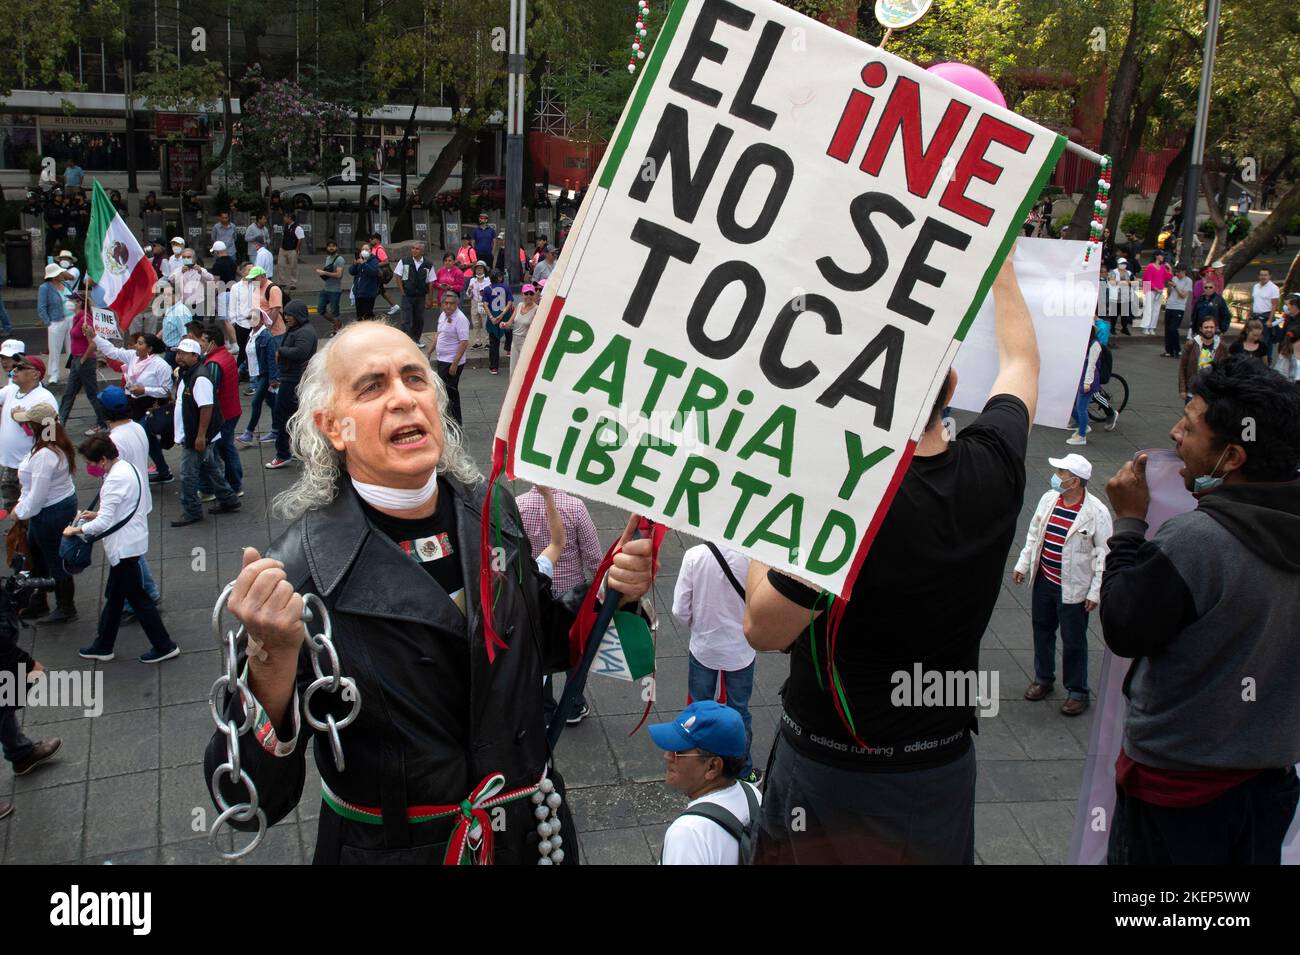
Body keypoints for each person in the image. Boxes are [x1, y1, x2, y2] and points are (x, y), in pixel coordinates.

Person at [202, 320, 656, 864]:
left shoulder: (493, 512)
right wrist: (271, 663)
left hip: (531, 837)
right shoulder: (296, 573)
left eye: (416, 379)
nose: (402, 399)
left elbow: (549, 645)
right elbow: (247, 802)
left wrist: (612, 592)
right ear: (332, 426)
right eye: (372, 387)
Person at [744, 256, 1037, 865]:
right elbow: (1021, 364)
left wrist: (772, 507)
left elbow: (765, 626)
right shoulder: (994, 467)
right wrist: (1002, 270)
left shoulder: (842, 506)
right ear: (951, 389)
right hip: (941, 767)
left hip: (830, 771)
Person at [1100, 355, 1300, 864]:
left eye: (1188, 427)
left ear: (1231, 456)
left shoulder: (1197, 541)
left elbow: (1125, 626)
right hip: (1269, 782)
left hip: (1176, 791)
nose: (1174, 434)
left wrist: (1127, 526)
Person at [1013, 453, 1112, 715]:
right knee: (1042, 631)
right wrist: (1023, 564)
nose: (1057, 477)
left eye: (1062, 474)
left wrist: (1095, 591)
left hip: (1073, 590)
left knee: (1074, 640)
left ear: (1076, 481)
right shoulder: (1049, 499)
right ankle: (1043, 678)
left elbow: (1103, 555)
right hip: (1045, 581)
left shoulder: (1096, 513)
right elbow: (1035, 534)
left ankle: (1078, 691)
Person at [67, 434, 178, 664]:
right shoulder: (128, 468)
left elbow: (103, 524)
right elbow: (122, 507)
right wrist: (97, 514)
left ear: (104, 459)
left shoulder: (113, 481)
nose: (91, 467)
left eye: (92, 463)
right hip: (132, 542)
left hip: (123, 548)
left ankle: (164, 645)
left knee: (138, 600)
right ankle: (103, 645)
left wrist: (77, 530)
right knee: (115, 597)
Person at [674, 541, 760, 783]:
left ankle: (698, 768)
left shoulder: (694, 555)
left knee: (699, 709)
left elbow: (680, 609)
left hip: (704, 646)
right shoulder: (753, 557)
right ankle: (743, 771)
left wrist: (698, 625)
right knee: (739, 711)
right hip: (740, 649)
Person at [519, 484, 603, 726]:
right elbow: (593, 556)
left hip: (536, 594)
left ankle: (545, 709)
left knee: (541, 651)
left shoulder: (517, 505)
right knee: (574, 652)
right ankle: (573, 704)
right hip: (571, 597)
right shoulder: (576, 507)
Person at [650, 701, 761, 865]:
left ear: (712, 766)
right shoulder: (752, 795)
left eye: (678, 751)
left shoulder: (688, 834)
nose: (667, 756)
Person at [11, 402, 80, 623]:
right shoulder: (53, 444)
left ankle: (65, 607)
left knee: (54, 558)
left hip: (50, 512)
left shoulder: (44, 455)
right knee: (37, 554)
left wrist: (19, 511)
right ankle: (39, 600)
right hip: (56, 506)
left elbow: (38, 496)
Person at [97, 386, 162, 620]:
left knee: (129, 553)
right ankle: (143, 593)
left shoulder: (113, 440)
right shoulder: (136, 427)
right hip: (140, 495)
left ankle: (145, 594)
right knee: (133, 550)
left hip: (126, 503)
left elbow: (107, 471)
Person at [170, 339, 240, 527]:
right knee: (210, 467)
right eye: (178, 353)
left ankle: (192, 510)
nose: (179, 357)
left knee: (188, 475)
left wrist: (200, 436)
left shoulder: (199, 378)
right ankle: (229, 499)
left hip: (196, 437)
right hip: (195, 435)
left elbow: (206, 408)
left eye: (184, 354)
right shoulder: (188, 373)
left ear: (195, 356)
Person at [93, 331, 174, 484]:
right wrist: (94, 337)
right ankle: (164, 471)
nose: (136, 346)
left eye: (140, 343)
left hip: (150, 407)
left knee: (140, 439)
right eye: (137, 343)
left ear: (149, 349)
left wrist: (145, 390)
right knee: (148, 440)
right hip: (133, 404)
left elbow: (167, 390)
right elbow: (112, 351)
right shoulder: (132, 357)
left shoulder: (161, 365)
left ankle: (139, 474)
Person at [0, 357, 57, 513]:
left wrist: (22, 421)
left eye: (21, 367)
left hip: (30, 466)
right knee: (11, 505)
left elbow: (50, 436)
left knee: (31, 506)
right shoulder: (11, 390)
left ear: (35, 375)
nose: (15, 369)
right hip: (9, 463)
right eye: (15, 366)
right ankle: (17, 531)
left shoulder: (45, 399)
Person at [266, 302, 317, 470]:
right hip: (292, 378)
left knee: (283, 416)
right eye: (285, 314)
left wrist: (281, 351)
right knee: (294, 417)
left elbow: (300, 352)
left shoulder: (304, 332)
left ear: (299, 315)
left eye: (290, 315)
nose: (286, 318)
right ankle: (296, 450)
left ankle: (283, 454)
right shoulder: (299, 330)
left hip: (293, 380)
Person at [236, 267, 284, 448]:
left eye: (255, 278)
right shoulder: (252, 334)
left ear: (263, 276)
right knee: (272, 402)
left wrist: (265, 331)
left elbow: (274, 310)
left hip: (272, 336)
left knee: (257, 401)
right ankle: (278, 428)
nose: (252, 281)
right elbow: (249, 355)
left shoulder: (273, 289)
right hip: (260, 360)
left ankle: (249, 433)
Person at [198, 325, 243, 497]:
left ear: (212, 342)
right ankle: (234, 484)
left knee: (221, 450)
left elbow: (211, 392)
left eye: (203, 341)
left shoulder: (214, 364)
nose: (201, 344)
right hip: (233, 410)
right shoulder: (226, 356)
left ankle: (231, 486)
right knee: (228, 448)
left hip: (224, 414)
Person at [55, 306, 108, 435]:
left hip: (84, 361)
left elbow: (92, 344)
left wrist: (83, 360)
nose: (70, 302)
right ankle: (60, 424)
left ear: (80, 303)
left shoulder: (85, 320)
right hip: (76, 360)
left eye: (74, 300)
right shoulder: (77, 318)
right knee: (69, 393)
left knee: (92, 394)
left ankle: (102, 423)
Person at [427, 291, 470, 427]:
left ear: (456, 304)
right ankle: (448, 420)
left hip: (452, 361)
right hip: (442, 359)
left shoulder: (461, 319)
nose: (448, 306)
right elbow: (438, 334)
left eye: (451, 303)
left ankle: (455, 423)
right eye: (446, 303)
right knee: (444, 391)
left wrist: (454, 364)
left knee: (450, 392)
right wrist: (429, 351)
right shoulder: (443, 315)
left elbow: (464, 342)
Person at [37, 263, 76, 387]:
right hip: (56, 321)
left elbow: (73, 298)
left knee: (72, 347)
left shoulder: (65, 285)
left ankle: (72, 371)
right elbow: (41, 307)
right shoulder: (45, 288)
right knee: (54, 349)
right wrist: (48, 322)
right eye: (60, 273)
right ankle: (54, 374)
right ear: (54, 276)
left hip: (71, 318)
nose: (62, 274)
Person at [392, 242, 436, 343]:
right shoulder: (404, 261)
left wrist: (429, 299)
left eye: (417, 249)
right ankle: (407, 341)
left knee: (419, 319)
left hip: (420, 296)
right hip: (407, 295)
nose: (414, 250)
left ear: (422, 251)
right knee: (406, 319)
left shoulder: (428, 264)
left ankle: (416, 339)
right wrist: (402, 291)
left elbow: (431, 282)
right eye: (413, 248)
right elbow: (398, 276)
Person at [1178, 317, 1229, 403]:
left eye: (1211, 327)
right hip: (1193, 392)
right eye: (1206, 327)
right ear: (1201, 329)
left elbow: (1226, 369)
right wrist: (1182, 389)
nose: (1209, 330)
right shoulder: (1191, 344)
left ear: (1215, 328)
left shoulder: (1222, 346)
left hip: (1213, 393)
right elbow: (1182, 367)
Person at [504, 283, 539, 377]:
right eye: (526, 293)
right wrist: (503, 324)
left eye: (531, 293)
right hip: (515, 341)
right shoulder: (519, 305)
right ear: (522, 294)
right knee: (513, 371)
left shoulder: (537, 309)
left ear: (534, 294)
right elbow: (509, 323)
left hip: (526, 342)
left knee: (524, 370)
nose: (528, 296)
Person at [208, 240, 239, 343]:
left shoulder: (217, 265)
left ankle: (234, 343)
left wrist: (212, 296)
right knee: (226, 319)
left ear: (217, 252)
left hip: (222, 294)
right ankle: (227, 342)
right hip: (233, 292)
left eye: (214, 253)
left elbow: (216, 283)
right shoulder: (233, 261)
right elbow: (238, 273)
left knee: (226, 321)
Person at [484, 269, 514, 374]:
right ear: (500, 278)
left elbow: (485, 304)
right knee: (509, 332)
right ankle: (508, 348)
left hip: (493, 316)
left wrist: (492, 317)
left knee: (493, 343)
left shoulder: (487, 289)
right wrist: (502, 315)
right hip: (505, 315)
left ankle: (493, 367)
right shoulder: (506, 287)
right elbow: (510, 302)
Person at [1163, 263, 1193, 357]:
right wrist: (1170, 287)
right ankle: (1169, 350)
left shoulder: (1188, 281)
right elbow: (1171, 292)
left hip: (1179, 307)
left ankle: (1177, 350)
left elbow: (1183, 295)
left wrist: (1175, 286)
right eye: (1176, 272)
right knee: (1167, 329)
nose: (1177, 274)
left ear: (1184, 271)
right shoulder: (1174, 278)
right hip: (1169, 306)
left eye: (1178, 272)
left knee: (1173, 329)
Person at [316, 238, 345, 334]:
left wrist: (324, 272)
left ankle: (337, 330)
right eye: (329, 246)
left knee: (335, 312)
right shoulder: (328, 258)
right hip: (326, 289)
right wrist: (322, 274)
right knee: (320, 309)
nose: (331, 248)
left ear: (336, 248)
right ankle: (337, 324)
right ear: (327, 248)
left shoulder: (339, 259)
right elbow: (328, 273)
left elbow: (338, 275)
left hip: (335, 290)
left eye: (333, 246)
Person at [1138, 251, 1171, 336]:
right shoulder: (1150, 266)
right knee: (1148, 308)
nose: (1163, 257)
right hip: (1150, 289)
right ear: (1157, 256)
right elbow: (1146, 279)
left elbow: (1168, 277)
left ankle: (1152, 327)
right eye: (1162, 255)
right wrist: (1155, 288)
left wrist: (1169, 269)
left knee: (1156, 310)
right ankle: (1145, 327)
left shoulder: (1163, 267)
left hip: (1159, 291)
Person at [1250, 268, 1280, 358]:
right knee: (1254, 339)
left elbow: (1274, 305)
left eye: (1265, 275)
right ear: (1258, 276)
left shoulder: (1274, 288)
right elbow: (1254, 301)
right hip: (1255, 316)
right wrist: (1249, 314)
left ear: (1270, 276)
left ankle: (1267, 362)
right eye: (1261, 275)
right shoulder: (1255, 286)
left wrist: (1270, 320)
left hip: (1266, 317)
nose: (1263, 277)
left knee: (1265, 342)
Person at [347, 244, 381, 322]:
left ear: (370, 251)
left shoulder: (374, 260)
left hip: (368, 293)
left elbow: (374, 272)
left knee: (367, 315)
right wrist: (355, 264)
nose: (364, 251)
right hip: (358, 292)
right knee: (359, 316)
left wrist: (364, 264)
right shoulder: (359, 260)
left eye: (366, 249)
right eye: (362, 249)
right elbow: (351, 271)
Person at [466, 261, 491, 349]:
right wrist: (469, 290)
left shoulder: (488, 280)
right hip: (474, 303)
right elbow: (468, 294)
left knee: (485, 323)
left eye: (480, 268)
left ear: (484, 270)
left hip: (484, 303)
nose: (479, 270)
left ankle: (488, 342)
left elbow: (492, 293)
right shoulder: (472, 280)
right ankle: (478, 342)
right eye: (477, 268)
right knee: (476, 323)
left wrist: (484, 293)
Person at [278, 210, 305, 290]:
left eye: (285, 217)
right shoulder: (286, 225)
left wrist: (297, 250)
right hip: (283, 249)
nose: (284, 218)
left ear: (290, 218)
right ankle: (282, 282)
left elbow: (300, 240)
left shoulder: (298, 228)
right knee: (280, 265)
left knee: (293, 267)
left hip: (292, 250)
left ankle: (293, 283)